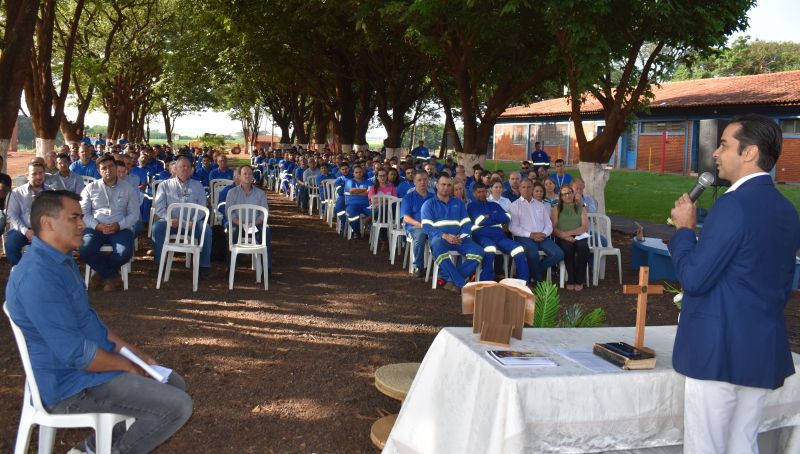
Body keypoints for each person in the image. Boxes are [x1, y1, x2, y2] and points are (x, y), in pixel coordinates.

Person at [5, 190, 192, 453]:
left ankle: (90, 449)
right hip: (69, 386)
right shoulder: (38, 276)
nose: (82, 224)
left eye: (82, 217)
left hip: (84, 371)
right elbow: (75, 353)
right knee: (177, 406)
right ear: (48, 223)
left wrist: (135, 355)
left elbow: (91, 325)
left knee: (171, 382)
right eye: (74, 218)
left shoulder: (62, 261)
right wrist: (126, 366)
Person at [668, 115, 800, 454]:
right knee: (744, 443)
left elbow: (695, 279)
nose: (715, 153)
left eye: (724, 144)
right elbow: (783, 283)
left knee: (706, 446)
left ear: (750, 152)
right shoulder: (787, 211)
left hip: (717, 349)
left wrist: (684, 230)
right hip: (760, 346)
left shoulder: (733, 205)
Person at [79, 155, 140, 291]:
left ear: (115, 167)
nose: (108, 170)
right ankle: (112, 276)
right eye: (104, 168)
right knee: (84, 249)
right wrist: (97, 226)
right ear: (99, 171)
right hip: (95, 228)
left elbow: (134, 214)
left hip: (120, 228)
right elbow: (83, 213)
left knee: (125, 252)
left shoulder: (128, 188)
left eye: (111, 166)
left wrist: (119, 225)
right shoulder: (90, 188)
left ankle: (99, 275)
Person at [421, 175, 483, 292]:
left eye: (449, 185)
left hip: (459, 239)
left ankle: (451, 280)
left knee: (478, 252)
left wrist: (462, 235)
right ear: (437, 186)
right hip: (440, 238)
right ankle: (460, 283)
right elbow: (426, 227)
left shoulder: (458, 203)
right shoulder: (429, 204)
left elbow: (466, 223)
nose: (446, 187)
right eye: (443, 184)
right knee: (438, 248)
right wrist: (445, 236)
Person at [152, 156, 212, 277]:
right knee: (157, 228)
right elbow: (159, 208)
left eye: (187, 167)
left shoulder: (198, 186)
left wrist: (193, 222)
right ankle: (160, 263)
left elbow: (203, 207)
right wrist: (169, 219)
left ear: (191, 170)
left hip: (192, 224)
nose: (185, 169)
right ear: (175, 169)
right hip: (172, 223)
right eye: (181, 166)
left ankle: (204, 266)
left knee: (206, 230)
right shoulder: (165, 185)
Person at [468, 182, 528, 283]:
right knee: (490, 248)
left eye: (484, 191)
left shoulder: (494, 205)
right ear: (474, 194)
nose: (482, 194)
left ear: (487, 192)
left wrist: (488, 216)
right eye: (479, 192)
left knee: (518, 248)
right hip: (481, 235)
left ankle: (523, 282)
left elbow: (507, 218)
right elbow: (479, 220)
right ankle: (486, 281)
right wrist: (495, 217)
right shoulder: (472, 206)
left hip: (499, 236)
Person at [509, 178, 564, 284]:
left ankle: (532, 272)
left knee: (558, 254)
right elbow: (513, 227)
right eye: (523, 187)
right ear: (520, 189)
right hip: (524, 237)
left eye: (529, 187)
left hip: (542, 236)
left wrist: (544, 233)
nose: (526, 189)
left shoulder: (540, 205)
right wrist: (530, 235)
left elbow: (548, 224)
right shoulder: (514, 206)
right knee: (533, 254)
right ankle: (538, 281)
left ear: (532, 188)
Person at [225, 165, 272, 273]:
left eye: (250, 174)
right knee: (233, 231)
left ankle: (267, 268)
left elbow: (264, 212)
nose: (247, 176)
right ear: (239, 176)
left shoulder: (260, 193)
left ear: (253, 177)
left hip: (255, 224)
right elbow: (229, 212)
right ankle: (230, 266)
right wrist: (241, 223)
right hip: (237, 223)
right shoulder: (232, 193)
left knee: (267, 231)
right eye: (244, 174)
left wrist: (254, 223)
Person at [5, 161, 51, 265]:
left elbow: (54, 215)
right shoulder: (16, 193)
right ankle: (19, 272)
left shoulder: (51, 193)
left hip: (44, 230)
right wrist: (26, 231)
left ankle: (47, 274)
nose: (38, 176)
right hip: (22, 229)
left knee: (58, 244)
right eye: (34, 174)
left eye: (41, 173)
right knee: (11, 245)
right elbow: (13, 216)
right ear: (27, 176)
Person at [551, 183, 589, 291]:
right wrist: (564, 236)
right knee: (568, 248)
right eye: (564, 194)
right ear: (561, 197)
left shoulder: (581, 207)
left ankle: (579, 279)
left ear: (573, 193)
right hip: (562, 238)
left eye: (569, 193)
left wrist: (569, 233)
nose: (567, 196)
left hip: (579, 236)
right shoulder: (556, 209)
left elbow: (585, 227)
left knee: (583, 248)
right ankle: (571, 279)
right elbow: (553, 228)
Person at [401, 170, 434, 278]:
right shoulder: (408, 197)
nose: (422, 182)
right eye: (419, 180)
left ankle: (441, 267)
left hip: (432, 226)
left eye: (425, 179)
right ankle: (419, 267)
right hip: (414, 226)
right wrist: (421, 225)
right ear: (414, 182)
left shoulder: (434, 197)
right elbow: (406, 218)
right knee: (420, 234)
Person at [344, 165, 372, 239]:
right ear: (353, 173)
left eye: (360, 172)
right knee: (352, 214)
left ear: (363, 173)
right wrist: (364, 189)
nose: (358, 174)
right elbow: (351, 191)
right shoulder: (349, 181)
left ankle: (373, 233)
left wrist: (356, 192)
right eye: (356, 172)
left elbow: (369, 192)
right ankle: (356, 231)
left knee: (375, 213)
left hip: (366, 204)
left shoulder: (368, 181)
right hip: (352, 204)